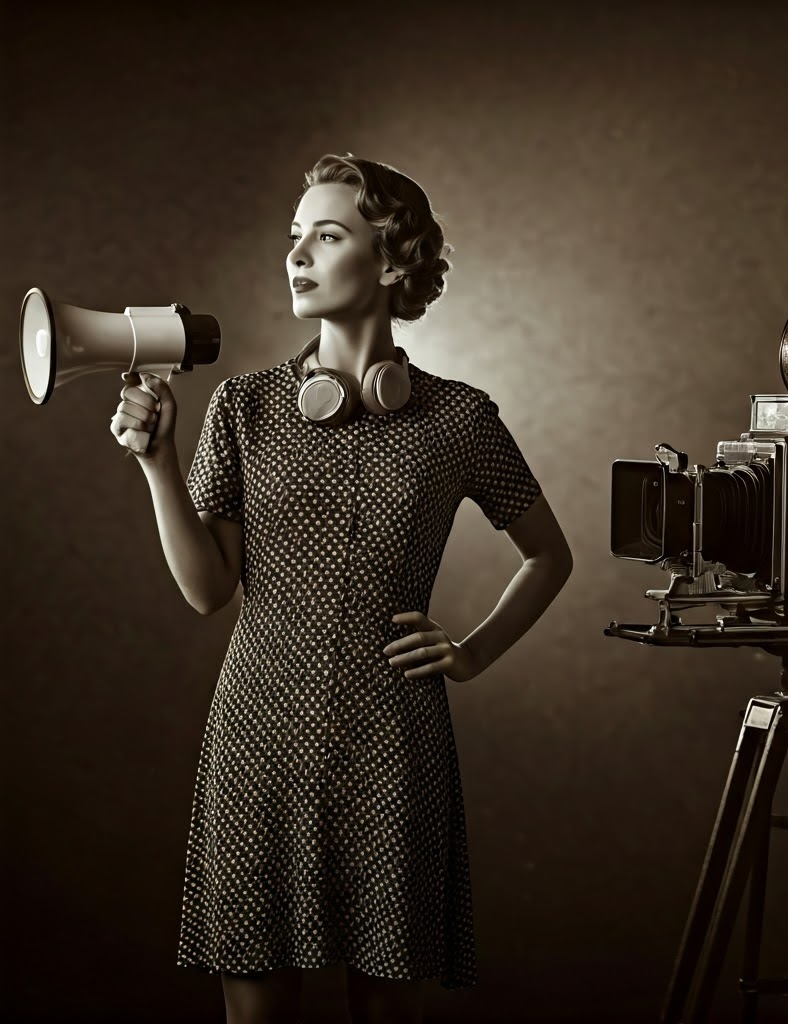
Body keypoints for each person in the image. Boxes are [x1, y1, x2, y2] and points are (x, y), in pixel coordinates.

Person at [109, 153, 573, 1024]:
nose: (297, 255)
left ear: (391, 262)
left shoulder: (460, 418)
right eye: (296, 236)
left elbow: (549, 556)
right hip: (257, 737)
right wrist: (157, 461)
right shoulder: (242, 406)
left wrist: (472, 653)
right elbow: (208, 591)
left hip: (395, 743)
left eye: (326, 236)